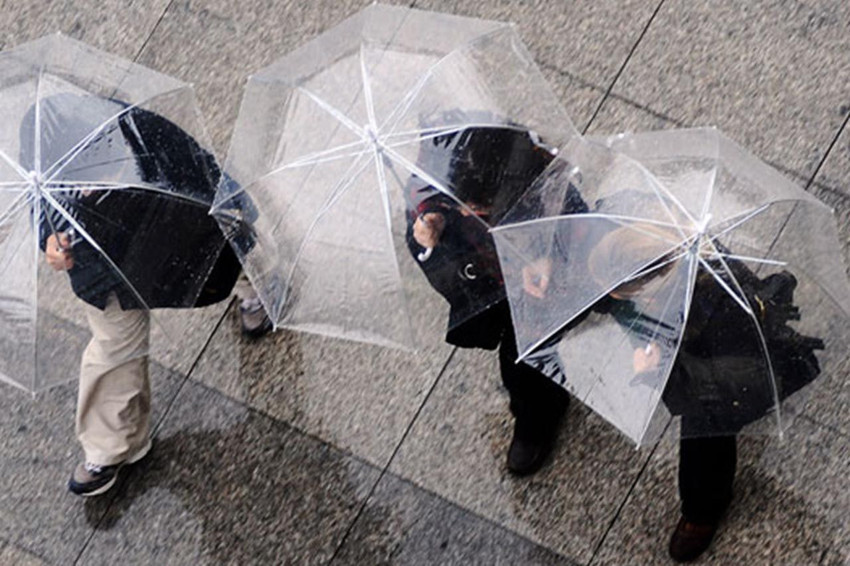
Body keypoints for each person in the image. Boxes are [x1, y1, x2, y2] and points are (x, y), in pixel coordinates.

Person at [30, 93, 248, 496]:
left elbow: (204, 177)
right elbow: (40, 205)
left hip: (171, 234)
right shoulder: (47, 148)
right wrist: (50, 240)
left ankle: (258, 289)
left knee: (224, 262)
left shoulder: (143, 134)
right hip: (104, 270)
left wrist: (236, 209)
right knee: (113, 348)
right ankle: (111, 447)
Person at [586, 223, 823, 562]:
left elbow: (703, 388)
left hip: (731, 373)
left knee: (706, 437)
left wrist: (654, 372)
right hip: (689, 341)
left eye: (619, 293)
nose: (611, 299)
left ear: (650, 287)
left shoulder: (716, 306)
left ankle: (702, 512)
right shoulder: (660, 255)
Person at [405, 119, 587, 475]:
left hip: (540, 296)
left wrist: (547, 256)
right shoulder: (437, 194)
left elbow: (583, 231)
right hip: (490, 292)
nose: (467, 213)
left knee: (525, 358)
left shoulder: (549, 189)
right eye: (461, 205)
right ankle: (535, 411)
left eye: (477, 208)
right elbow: (433, 259)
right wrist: (429, 243)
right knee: (516, 362)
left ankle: (539, 413)